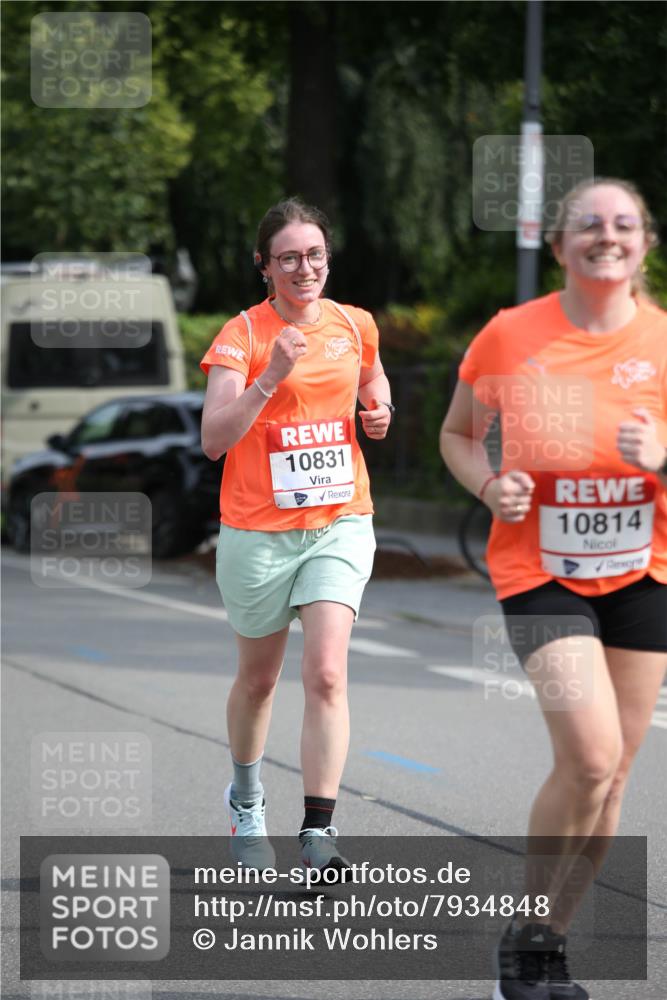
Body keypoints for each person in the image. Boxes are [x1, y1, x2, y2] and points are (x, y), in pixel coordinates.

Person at [440, 178, 666, 1000]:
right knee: (589, 755)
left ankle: (546, 949)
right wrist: (486, 485)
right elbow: (458, 433)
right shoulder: (511, 334)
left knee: (614, 775)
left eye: (622, 224)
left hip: (644, 572)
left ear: (644, 243)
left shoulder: (666, 342)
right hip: (539, 573)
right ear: (561, 243)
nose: (605, 235)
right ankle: (524, 938)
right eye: (587, 224)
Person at [200, 197, 392, 877]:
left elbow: (369, 375)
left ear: (326, 259)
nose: (304, 267)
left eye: (313, 255)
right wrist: (271, 376)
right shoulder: (241, 336)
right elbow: (213, 439)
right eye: (289, 258)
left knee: (328, 673)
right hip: (256, 532)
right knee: (258, 682)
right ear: (265, 267)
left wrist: (380, 409)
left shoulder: (352, 323)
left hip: (339, 521)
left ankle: (318, 832)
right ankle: (246, 799)